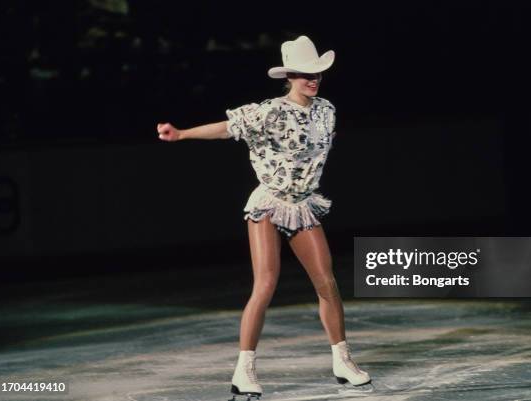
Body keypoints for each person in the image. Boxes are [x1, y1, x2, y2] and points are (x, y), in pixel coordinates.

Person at [157, 35, 371, 400]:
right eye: (304, 74)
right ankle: (244, 370)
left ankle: (342, 360)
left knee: (326, 281)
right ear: (289, 76)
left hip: (302, 204)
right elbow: (227, 128)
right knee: (266, 284)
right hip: (269, 203)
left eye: (316, 73)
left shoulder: (327, 110)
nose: (312, 79)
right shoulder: (270, 111)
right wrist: (181, 135)